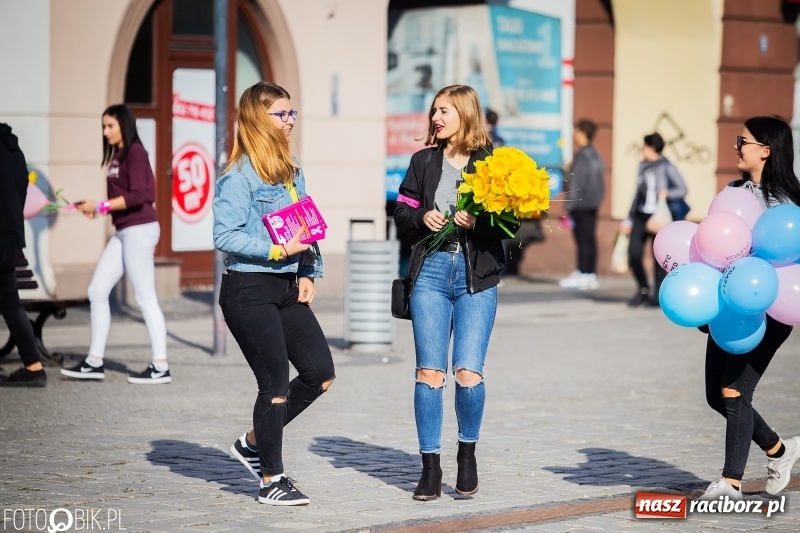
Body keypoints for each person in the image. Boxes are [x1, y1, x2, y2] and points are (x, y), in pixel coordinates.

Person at [213, 81, 335, 506]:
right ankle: (270, 479)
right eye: (280, 114)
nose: (288, 121)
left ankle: (252, 443)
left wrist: (307, 270)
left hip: (286, 285)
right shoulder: (239, 175)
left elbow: (304, 222)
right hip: (248, 287)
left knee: (319, 373)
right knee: (275, 385)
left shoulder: (291, 167)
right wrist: (275, 249)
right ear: (256, 119)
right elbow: (223, 234)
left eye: (291, 113)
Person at [394, 85, 518, 501]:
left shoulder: (492, 164)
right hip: (429, 273)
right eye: (433, 112)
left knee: (467, 371)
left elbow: (509, 223)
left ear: (464, 113)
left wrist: (477, 222)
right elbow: (401, 209)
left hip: (475, 279)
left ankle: (468, 453)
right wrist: (419, 216)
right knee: (429, 372)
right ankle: (430, 466)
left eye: (443, 111)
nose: (435, 119)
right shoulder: (423, 161)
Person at [699, 115, 800, 500]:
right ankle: (780, 449)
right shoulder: (731, 193)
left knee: (734, 390)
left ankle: (731, 482)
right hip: (728, 306)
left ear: (765, 150)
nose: (736, 147)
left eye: (742, 141)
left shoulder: (787, 206)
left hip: (771, 309)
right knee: (715, 394)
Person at [60, 105, 170, 384]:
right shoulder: (120, 155)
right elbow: (122, 200)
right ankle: (94, 362)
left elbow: (142, 195)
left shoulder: (135, 152)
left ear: (123, 124)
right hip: (124, 230)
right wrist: (97, 208)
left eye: (110, 126)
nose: (106, 132)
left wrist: (101, 204)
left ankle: (160, 366)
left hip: (140, 230)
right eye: (103, 127)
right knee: (97, 290)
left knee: (145, 298)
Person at [0, 123, 47, 387]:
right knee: (10, 302)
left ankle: (34, 367)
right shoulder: (14, 150)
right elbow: (21, 190)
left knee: (9, 302)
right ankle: (33, 366)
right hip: (10, 237)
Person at [619, 132, 687, 307]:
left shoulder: (666, 166)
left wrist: (667, 193)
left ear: (652, 147)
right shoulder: (642, 166)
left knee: (659, 256)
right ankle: (642, 288)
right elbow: (636, 194)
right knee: (633, 253)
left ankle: (657, 296)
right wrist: (628, 219)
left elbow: (682, 189)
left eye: (645, 146)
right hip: (641, 215)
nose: (642, 149)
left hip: (659, 217)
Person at [558, 119, 605, 291]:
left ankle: (584, 273)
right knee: (589, 239)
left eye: (576, 131)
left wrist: (567, 205)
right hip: (592, 203)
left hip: (580, 204)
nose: (574, 134)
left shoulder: (582, 156)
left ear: (582, 133)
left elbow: (576, 182)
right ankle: (589, 273)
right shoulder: (596, 154)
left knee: (583, 240)